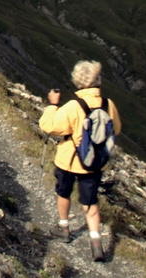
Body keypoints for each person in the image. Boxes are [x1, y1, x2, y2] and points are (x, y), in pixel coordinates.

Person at [38, 60, 122, 262]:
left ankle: (64, 228)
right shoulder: (108, 104)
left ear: (78, 82)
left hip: (68, 160)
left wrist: (52, 105)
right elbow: (116, 129)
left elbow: (49, 126)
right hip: (94, 163)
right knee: (90, 202)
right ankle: (96, 244)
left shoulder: (73, 106)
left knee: (64, 193)